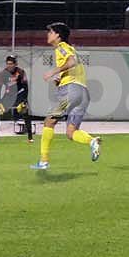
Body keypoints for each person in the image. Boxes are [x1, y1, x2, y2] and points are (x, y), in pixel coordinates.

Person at [31, 22, 101, 170]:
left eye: (50, 32)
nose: (48, 34)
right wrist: (60, 78)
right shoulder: (71, 49)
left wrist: (53, 71)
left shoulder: (61, 47)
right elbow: (73, 66)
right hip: (83, 94)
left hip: (71, 91)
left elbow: (71, 62)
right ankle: (92, 141)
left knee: (49, 122)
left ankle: (43, 161)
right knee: (71, 132)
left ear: (58, 35)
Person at [0, 55, 32, 143]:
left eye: (11, 64)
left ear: (15, 64)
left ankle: (30, 138)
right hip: (9, 95)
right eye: (7, 64)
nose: (9, 65)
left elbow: (25, 87)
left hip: (19, 94)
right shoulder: (3, 73)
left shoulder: (21, 72)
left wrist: (24, 100)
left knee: (25, 112)